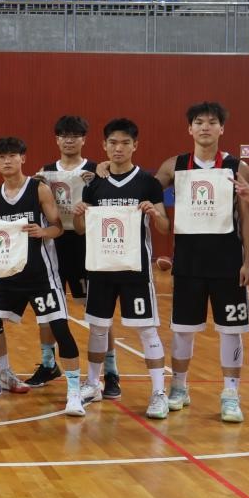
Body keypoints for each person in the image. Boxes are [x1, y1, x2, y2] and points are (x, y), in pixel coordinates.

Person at [151, 103, 249, 423]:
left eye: (212, 122)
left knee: (231, 331)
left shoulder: (237, 167)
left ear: (222, 128)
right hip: (188, 262)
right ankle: (179, 388)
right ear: (190, 129)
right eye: (199, 122)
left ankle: (231, 394)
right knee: (182, 331)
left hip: (228, 263)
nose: (205, 127)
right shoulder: (174, 165)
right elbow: (146, 189)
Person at [0, 137, 85, 411]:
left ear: (22, 158)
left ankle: (74, 392)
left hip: (41, 276)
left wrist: (43, 231)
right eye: (1, 157)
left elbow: (58, 227)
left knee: (60, 329)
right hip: (10, 276)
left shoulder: (39, 189)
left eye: (12, 155)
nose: (7, 161)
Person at [72, 118, 171, 419]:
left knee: (147, 330)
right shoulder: (94, 184)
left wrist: (154, 214)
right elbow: (81, 229)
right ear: (104, 145)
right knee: (98, 328)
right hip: (101, 268)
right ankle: (93, 383)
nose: (118, 148)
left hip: (135, 270)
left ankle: (159, 392)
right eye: (113, 142)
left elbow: (165, 227)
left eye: (125, 143)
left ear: (135, 145)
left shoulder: (148, 183)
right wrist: (79, 214)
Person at [34, 115, 121, 396]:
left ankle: (111, 371)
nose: (69, 140)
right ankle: (48, 363)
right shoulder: (44, 172)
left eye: (75, 135)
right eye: (64, 135)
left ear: (84, 139)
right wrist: (34, 185)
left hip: (87, 244)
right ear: (57, 139)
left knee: (98, 312)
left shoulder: (98, 170)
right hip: (54, 243)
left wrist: (96, 183)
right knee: (48, 307)